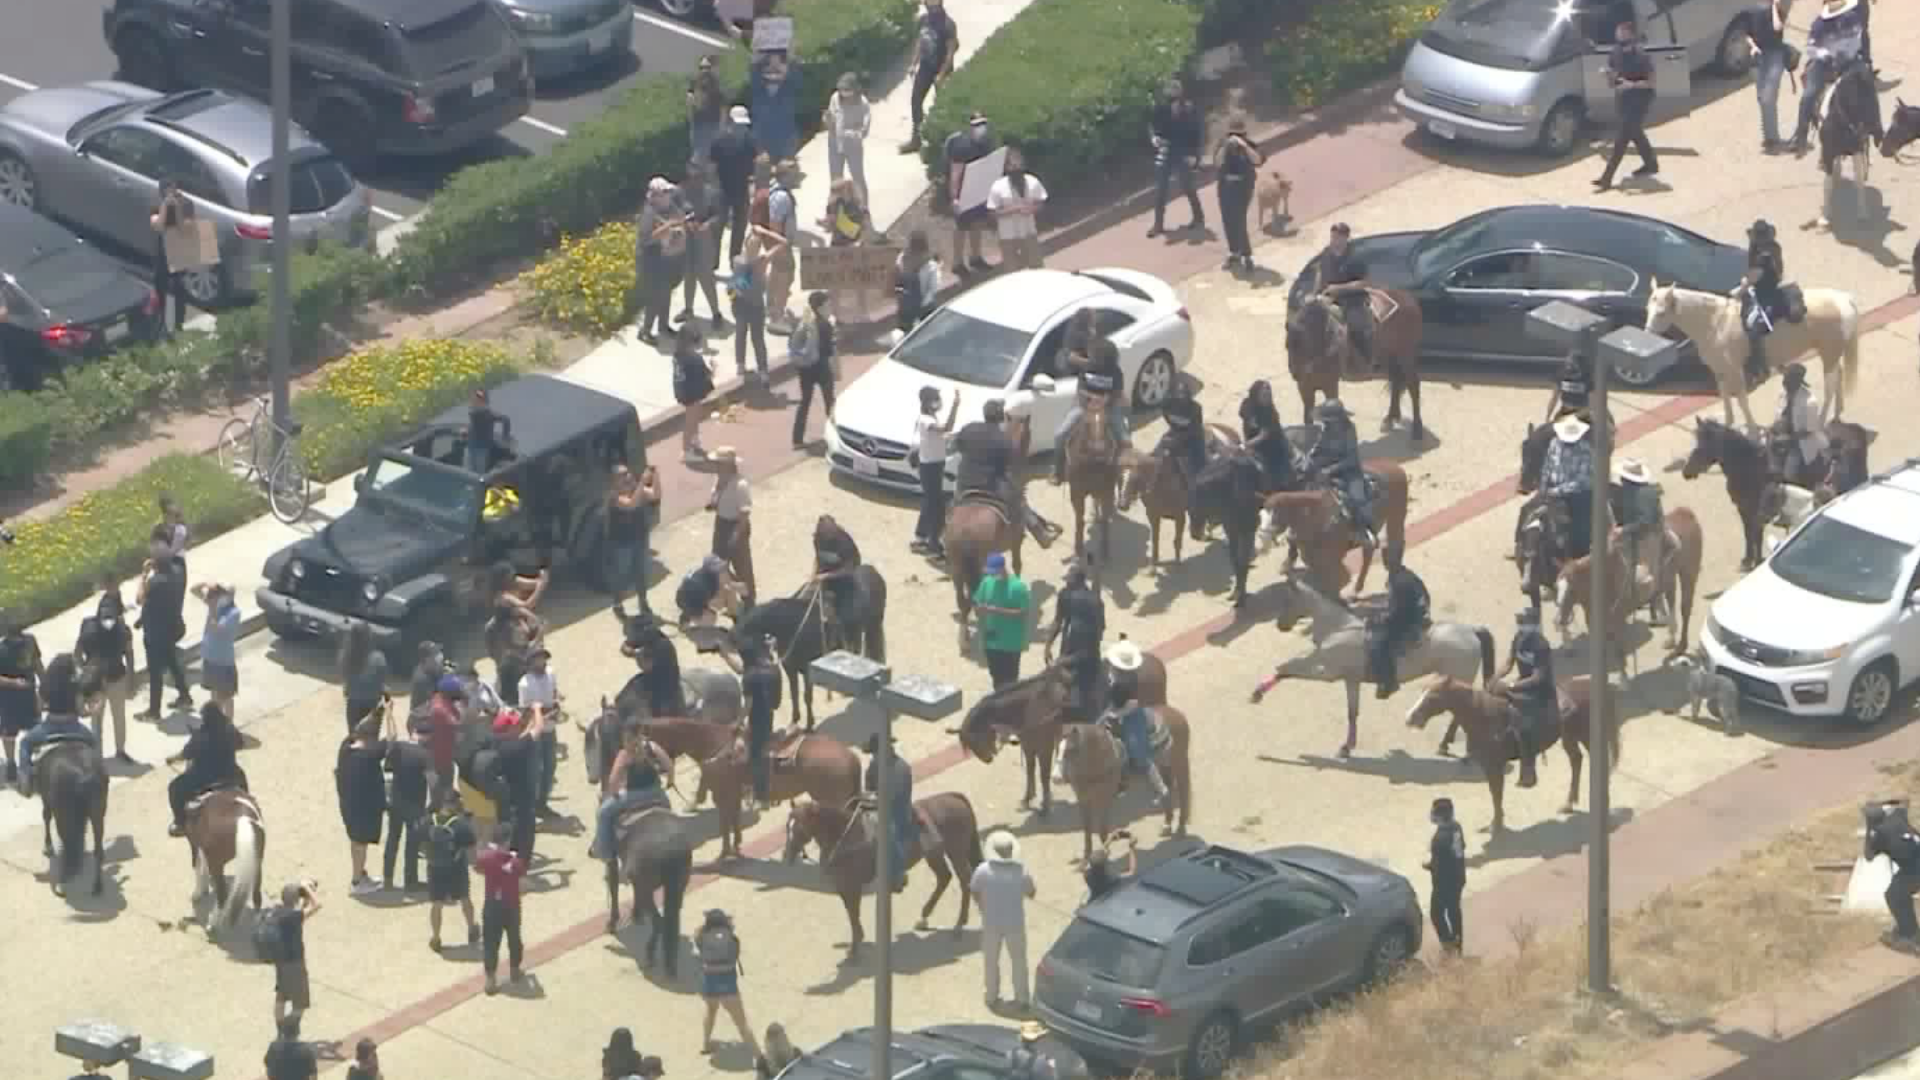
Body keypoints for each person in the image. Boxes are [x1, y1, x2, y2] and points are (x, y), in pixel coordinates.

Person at [970, 831, 1037, 1009]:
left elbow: (974, 890)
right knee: (1019, 961)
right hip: (1015, 923)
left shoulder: (983, 870)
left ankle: (991, 996)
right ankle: (1022, 998)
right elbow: (1031, 892)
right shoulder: (1021, 870)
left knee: (991, 961)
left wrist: (981, 906)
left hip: (991, 922)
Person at [1790, 0, 1866, 153]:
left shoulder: (1852, 19)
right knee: (1808, 95)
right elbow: (1811, 47)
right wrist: (1824, 54)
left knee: (1865, 86)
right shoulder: (1819, 23)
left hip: (1847, 63)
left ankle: (1869, 128)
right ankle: (1801, 135)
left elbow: (1856, 42)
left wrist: (1843, 53)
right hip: (1823, 65)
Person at [1050, 337, 1128, 485]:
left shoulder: (1116, 372)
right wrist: (1091, 399)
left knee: (1125, 438)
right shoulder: (1087, 368)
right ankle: (1057, 470)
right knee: (1060, 434)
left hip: (1109, 407)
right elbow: (1080, 389)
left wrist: (1106, 401)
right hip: (1084, 405)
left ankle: (1121, 473)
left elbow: (1117, 392)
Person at [16, 654, 97, 795]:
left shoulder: (46, 685)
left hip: (49, 727)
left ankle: (26, 780)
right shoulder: (76, 685)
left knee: (25, 743)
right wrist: (94, 710)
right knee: (93, 742)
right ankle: (95, 777)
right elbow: (81, 711)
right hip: (73, 726)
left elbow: (39, 708)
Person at [75, 580, 137, 763]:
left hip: (117, 678)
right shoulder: (88, 628)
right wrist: (84, 673)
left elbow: (130, 654)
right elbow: (77, 653)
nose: (108, 621)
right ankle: (97, 756)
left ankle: (120, 750)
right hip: (95, 683)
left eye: (111, 617)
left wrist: (132, 680)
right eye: (105, 617)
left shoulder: (123, 630)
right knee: (96, 720)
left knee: (119, 717)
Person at [1594, 20, 1659, 191]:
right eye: (1618, 35)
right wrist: (1607, 75)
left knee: (1622, 139)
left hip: (1640, 100)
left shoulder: (1642, 56)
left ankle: (1606, 178)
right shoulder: (1615, 53)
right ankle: (1651, 164)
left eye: (1623, 36)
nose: (1620, 39)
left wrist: (1632, 84)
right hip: (1623, 99)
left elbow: (1651, 82)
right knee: (1635, 133)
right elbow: (1612, 82)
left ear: (1632, 36)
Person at [166, 700, 246, 836]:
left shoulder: (200, 735)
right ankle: (245, 812)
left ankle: (180, 823)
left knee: (174, 788)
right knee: (242, 780)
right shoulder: (229, 729)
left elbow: (185, 754)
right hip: (229, 773)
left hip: (204, 778)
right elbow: (240, 743)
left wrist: (172, 759)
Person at [1496, 607, 1555, 790]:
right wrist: (1495, 678)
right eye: (1519, 621)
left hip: (1539, 690)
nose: (1520, 625)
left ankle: (1528, 768)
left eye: (1524, 621)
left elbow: (1538, 677)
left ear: (1534, 623)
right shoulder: (1518, 638)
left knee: (1520, 721)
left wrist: (1512, 686)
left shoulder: (1541, 645)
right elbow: (1508, 663)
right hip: (1521, 682)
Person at [137, 525, 192, 720]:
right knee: (172, 661)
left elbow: (140, 599)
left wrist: (143, 575)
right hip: (172, 626)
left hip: (156, 632)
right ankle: (185, 696)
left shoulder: (156, 582)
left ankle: (154, 711)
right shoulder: (177, 572)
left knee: (155, 672)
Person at [1305, 399, 1374, 552]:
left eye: (1330, 420)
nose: (1328, 423)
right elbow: (1319, 446)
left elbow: (1351, 457)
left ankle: (1363, 529)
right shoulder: (1326, 429)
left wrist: (1330, 470)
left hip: (1348, 469)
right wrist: (1310, 457)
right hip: (1327, 467)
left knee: (1357, 495)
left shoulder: (1349, 429)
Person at [1101, 651, 1167, 803]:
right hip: (1116, 711)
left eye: (1115, 665)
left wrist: (1117, 714)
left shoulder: (1130, 682)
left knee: (1138, 751)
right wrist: (1106, 713)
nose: (1112, 666)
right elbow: (1113, 700)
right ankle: (1119, 781)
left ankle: (1161, 788)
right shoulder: (1114, 677)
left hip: (1132, 716)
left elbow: (1134, 704)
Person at [335, 712, 389, 896]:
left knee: (356, 842)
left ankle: (360, 873)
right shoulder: (369, 755)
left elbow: (369, 725)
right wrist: (389, 715)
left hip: (348, 805)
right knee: (360, 845)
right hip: (361, 809)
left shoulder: (346, 746)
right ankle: (357, 881)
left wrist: (381, 710)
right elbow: (392, 739)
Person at [697, 909, 763, 1057]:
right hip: (728, 985)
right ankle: (759, 1057)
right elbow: (734, 956)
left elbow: (699, 933)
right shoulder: (732, 940)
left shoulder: (701, 938)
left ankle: (706, 1044)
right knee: (742, 1024)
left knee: (710, 1012)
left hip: (709, 983)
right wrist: (729, 926)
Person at [1044, 562, 1105, 720]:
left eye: (1068, 581)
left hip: (1084, 659)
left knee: (1083, 695)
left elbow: (1091, 646)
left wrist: (1062, 659)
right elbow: (1058, 621)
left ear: (1078, 582)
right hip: (1069, 650)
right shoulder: (1066, 595)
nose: (1065, 584)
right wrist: (1048, 645)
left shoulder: (1092, 604)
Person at [424, 786, 480, 952]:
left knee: (436, 904)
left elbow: (419, 841)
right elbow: (471, 848)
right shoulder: (460, 825)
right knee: (464, 898)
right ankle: (471, 929)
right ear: (457, 803)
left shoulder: (429, 820)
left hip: (434, 868)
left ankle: (436, 938)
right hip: (456, 867)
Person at [1147, 77, 1204, 237]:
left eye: (1175, 90)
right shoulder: (1160, 108)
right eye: (1170, 90)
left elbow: (1197, 132)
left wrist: (1195, 155)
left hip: (1183, 152)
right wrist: (1154, 138)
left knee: (1187, 186)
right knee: (1161, 189)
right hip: (1166, 150)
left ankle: (1199, 218)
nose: (1172, 93)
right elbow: (1152, 125)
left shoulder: (1189, 108)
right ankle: (1158, 225)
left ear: (1180, 92)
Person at [637, 177, 691, 346]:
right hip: (651, 262)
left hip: (666, 260)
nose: (669, 195)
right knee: (654, 298)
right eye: (665, 192)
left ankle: (663, 326)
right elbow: (647, 239)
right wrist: (669, 226)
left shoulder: (669, 207)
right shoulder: (649, 213)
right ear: (655, 196)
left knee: (666, 295)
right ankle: (645, 331)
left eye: (669, 192)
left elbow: (679, 217)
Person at [1313, 222, 1374, 371]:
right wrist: (1314, 293)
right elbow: (1320, 272)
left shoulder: (1355, 257)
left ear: (1346, 238)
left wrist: (1339, 288)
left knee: (1355, 324)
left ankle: (1366, 357)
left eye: (1337, 238)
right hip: (1329, 297)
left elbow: (1364, 282)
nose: (1333, 240)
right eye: (1332, 237)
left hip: (1352, 299)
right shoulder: (1327, 253)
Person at [901, 0, 958, 153]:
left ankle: (942, 144)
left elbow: (950, 52)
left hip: (942, 69)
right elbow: (920, 42)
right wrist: (913, 64)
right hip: (925, 68)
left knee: (942, 107)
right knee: (915, 101)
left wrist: (941, 74)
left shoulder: (948, 25)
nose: (931, 5)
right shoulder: (924, 20)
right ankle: (916, 139)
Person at [475, 825, 527, 994]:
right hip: (510, 905)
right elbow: (521, 875)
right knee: (514, 939)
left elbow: (478, 865)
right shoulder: (514, 861)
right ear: (507, 840)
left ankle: (490, 980)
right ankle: (514, 970)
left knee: (490, 942)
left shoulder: (486, 858)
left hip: (492, 905)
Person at [592, 753, 671, 864]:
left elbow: (613, 781)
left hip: (632, 795)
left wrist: (613, 794)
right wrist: (670, 781)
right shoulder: (651, 746)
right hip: (656, 793)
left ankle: (605, 853)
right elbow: (668, 764)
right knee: (668, 810)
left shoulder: (625, 754)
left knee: (603, 813)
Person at [945, 112, 998, 275]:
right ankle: (957, 263)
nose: (980, 128)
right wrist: (954, 198)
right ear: (969, 127)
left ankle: (976, 258)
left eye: (982, 124)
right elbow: (955, 174)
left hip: (979, 190)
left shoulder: (987, 143)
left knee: (978, 223)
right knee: (961, 227)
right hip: (963, 192)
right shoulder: (962, 146)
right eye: (976, 125)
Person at [1863, 801, 1920, 951]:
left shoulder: (1880, 833)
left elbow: (1868, 855)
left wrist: (1869, 828)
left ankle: (1910, 935)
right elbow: (1904, 804)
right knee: (1899, 890)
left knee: (1893, 894)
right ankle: (1907, 929)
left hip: (1914, 869)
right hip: (1914, 864)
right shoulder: (1898, 816)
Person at [1368, 562, 1430, 698]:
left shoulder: (1399, 582)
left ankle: (1389, 682)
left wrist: (1379, 619)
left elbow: (1396, 614)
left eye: (1386, 557)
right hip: (1419, 612)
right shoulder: (1406, 574)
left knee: (1377, 645)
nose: (1384, 560)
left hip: (1409, 621)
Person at [1158, 379, 1209, 540]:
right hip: (1175, 433)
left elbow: (1194, 430)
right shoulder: (1167, 403)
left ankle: (1200, 513)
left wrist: (1177, 439)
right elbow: (1167, 417)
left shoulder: (1195, 409)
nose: (1181, 396)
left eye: (1184, 393)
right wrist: (1172, 435)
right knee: (1153, 456)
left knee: (1199, 478)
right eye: (1178, 393)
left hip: (1193, 440)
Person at [1542, 410, 1596, 561]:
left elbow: (1580, 481)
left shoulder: (1586, 451)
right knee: (1527, 511)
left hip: (1577, 495)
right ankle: (1523, 547)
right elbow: (1547, 465)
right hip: (1553, 489)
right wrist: (1543, 486)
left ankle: (1580, 557)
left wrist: (1556, 491)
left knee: (1580, 527)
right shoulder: (1554, 443)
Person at [384, 720, 432, 892]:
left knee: (392, 839)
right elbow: (432, 781)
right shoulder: (425, 755)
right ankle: (410, 881)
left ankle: (387, 878)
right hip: (415, 805)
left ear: (414, 732)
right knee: (412, 844)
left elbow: (388, 771)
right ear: (427, 737)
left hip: (396, 801)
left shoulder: (398, 747)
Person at [680, 160, 728, 329]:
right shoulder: (681, 192)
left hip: (704, 239)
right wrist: (684, 223)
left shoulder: (712, 193)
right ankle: (688, 309)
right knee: (689, 275)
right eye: (691, 177)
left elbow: (720, 215)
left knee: (706, 277)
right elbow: (677, 212)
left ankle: (716, 313)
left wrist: (708, 225)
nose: (694, 180)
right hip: (687, 238)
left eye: (697, 176)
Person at [819, 179, 876, 320]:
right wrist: (825, 224)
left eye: (837, 192)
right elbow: (830, 228)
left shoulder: (859, 207)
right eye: (833, 192)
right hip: (838, 246)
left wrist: (860, 242)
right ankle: (836, 313)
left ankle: (863, 312)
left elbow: (867, 228)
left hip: (855, 246)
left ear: (847, 191)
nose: (834, 196)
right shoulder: (833, 207)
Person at [1213, 114, 1265, 271]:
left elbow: (1258, 160)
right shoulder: (1223, 144)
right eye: (1232, 134)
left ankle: (1247, 255)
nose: (1235, 137)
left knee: (1239, 220)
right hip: (1225, 187)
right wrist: (1225, 145)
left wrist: (1244, 146)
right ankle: (1234, 252)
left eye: (1239, 134)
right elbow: (1217, 162)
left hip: (1243, 188)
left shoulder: (1248, 145)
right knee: (1228, 219)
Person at [864, 733, 914, 892]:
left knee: (889, 834)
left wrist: (877, 801)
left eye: (875, 752)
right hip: (876, 805)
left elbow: (897, 796)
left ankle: (898, 872)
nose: (874, 756)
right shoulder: (873, 766)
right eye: (873, 753)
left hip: (897, 810)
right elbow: (869, 787)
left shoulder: (901, 768)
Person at [788, 291, 838, 449]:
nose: (830, 308)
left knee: (805, 402)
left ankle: (797, 439)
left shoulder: (806, 321)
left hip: (805, 368)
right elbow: (828, 351)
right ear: (821, 307)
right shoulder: (826, 325)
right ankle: (836, 435)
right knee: (830, 402)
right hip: (821, 367)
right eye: (828, 305)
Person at [973, 553, 1031, 689]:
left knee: (1010, 680)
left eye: (994, 572)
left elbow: (1023, 613)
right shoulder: (987, 582)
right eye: (990, 572)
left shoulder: (1018, 587)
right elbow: (977, 601)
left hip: (1011, 642)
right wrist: (978, 609)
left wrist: (996, 611)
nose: (992, 575)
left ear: (1003, 568)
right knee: (996, 676)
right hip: (991, 640)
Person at [914, 386, 960, 556]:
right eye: (936, 399)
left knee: (929, 503)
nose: (939, 402)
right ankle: (934, 546)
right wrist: (956, 406)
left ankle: (921, 538)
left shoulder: (931, 417)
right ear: (927, 401)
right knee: (937, 507)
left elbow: (940, 435)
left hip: (934, 465)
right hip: (930, 467)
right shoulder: (927, 420)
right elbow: (946, 428)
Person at [986, 147, 1048, 270]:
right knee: (1013, 274)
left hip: (1029, 233)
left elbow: (1041, 202)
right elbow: (992, 213)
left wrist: (1032, 209)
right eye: (1012, 166)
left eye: (1018, 166)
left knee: (1037, 270)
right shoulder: (998, 187)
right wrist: (1011, 210)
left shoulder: (1032, 182)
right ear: (1006, 168)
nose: (1016, 169)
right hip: (1008, 237)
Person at [1743, 218, 1788, 387]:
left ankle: (1762, 367)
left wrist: (1742, 288)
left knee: (1757, 329)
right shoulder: (1755, 247)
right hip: (1757, 288)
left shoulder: (1770, 252)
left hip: (1769, 292)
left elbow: (1757, 274)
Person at [712, 106, 759, 265]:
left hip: (742, 189)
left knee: (740, 226)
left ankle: (735, 259)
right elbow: (711, 165)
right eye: (739, 125)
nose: (742, 128)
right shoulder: (719, 141)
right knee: (717, 226)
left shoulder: (750, 141)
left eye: (744, 125)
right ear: (730, 122)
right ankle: (713, 261)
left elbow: (756, 162)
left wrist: (754, 183)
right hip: (722, 189)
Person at [519, 646, 561, 817]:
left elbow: (555, 692)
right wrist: (546, 713)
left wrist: (557, 702)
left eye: (543, 658)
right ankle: (532, 806)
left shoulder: (551, 673)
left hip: (550, 729)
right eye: (538, 659)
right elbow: (525, 711)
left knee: (550, 767)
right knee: (536, 770)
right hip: (537, 733)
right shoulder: (524, 684)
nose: (542, 662)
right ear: (530, 663)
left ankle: (542, 804)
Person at [709, 447, 756, 604]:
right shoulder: (718, 479)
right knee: (717, 564)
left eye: (719, 463)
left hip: (736, 526)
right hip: (721, 523)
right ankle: (727, 596)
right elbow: (715, 501)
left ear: (728, 465)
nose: (715, 466)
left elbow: (744, 514)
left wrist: (736, 536)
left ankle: (749, 599)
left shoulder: (740, 484)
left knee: (742, 567)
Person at [0, 611, 42, 782]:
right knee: (9, 734)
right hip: (8, 700)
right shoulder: (1, 650)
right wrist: (14, 683)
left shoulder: (30, 642)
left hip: (29, 697)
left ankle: (29, 764)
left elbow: (38, 665)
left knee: (33, 731)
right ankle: (11, 764)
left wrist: (46, 686)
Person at [605, 464, 654, 611]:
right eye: (622, 475)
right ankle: (617, 603)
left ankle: (643, 601)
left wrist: (655, 477)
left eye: (628, 473)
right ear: (614, 481)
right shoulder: (614, 496)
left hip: (639, 538)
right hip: (621, 543)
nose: (627, 477)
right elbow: (631, 505)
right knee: (622, 575)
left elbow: (655, 495)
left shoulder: (636, 489)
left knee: (641, 572)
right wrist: (642, 483)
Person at [272, 879, 322, 1023]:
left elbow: (301, 909)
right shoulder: (295, 917)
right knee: (300, 1003)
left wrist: (304, 897)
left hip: (280, 961)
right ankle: (290, 1028)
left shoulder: (277, 911)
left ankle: (280, 1026)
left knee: (281, 995)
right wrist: (308, 889)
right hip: (295, 963)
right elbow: (317, 905)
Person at [1747, 0, 1793, 152]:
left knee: (1768, 97)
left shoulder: (1778, 10)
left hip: (1775, 55)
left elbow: (1777, 27)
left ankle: (1773, 138)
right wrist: (1753, 46)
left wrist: (1774, 7)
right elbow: (1747, 34)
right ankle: (1768, 136)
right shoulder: (1752, 10)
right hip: (1758, 56)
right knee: (1761, 98)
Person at [741, 633, 781, 807]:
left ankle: (761, 795)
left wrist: (737, 720)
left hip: (757, 717)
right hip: (769, 714)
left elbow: (748, 704)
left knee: (755, 756)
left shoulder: (749, 676)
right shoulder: (771, 669)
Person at [148, 179, 193, 333]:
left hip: (179, 251)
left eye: (170, 190)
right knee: (160, 289)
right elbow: (157, 226)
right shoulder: (157, 205)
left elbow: (186, 228)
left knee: (179, 289)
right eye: (164, 191)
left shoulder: (186, 203)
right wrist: (166, 206)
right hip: (162, 253)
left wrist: (177, 208)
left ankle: (178, 325)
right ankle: (161, 325)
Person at [192, 582, 242, 719]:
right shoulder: (216, 604)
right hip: (210, 658)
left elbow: (217, 628)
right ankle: (216, 726)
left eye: (223, 592)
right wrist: (206, 584)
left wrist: (212, 607)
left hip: (223, 661)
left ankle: (228, 727)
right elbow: (194, 590)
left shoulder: (234, 613)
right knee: (214, 696)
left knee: (226, 698)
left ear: (230, 595)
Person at [1772, 362, 1828, 482]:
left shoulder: (1810, 402)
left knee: (1788, 473)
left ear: (1796, 383)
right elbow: (1779, 415)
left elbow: (1809, 431)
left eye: (1787, 382)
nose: (1784, 385)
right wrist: (1773, 429)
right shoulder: (1783, 395)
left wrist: (1788, 438)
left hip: (1800, 443)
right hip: (1782, 437)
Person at [1425, 797, 1466, 955]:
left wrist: (1430, 867)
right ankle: (1458, 944)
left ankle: (1448, 945)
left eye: (1433, 812)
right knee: (1454, 911)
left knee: (1436, 914)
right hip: (1458, 877)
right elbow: (1457, 852)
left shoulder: (1440, 838)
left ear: (1439, 815)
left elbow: (1440, 864)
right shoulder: (1456, 827)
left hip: (1444, 883)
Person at [763, 160, 800, 332]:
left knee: (777, 275)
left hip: (779, 244)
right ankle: (777, 318)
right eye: (794, 174)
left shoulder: (777, 192)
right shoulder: (781, 197)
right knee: (785, 279)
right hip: (781, 244)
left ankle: (770, 307)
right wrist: (781, 248)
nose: (798, 177)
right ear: (784, 176)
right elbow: (775, 224)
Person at [826, 72, 872, 206]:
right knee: (835, 180)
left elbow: (863, 131)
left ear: (855, 89)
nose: (843, 92)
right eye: (841, 89)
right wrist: (828, 121)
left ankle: (864, 209)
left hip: (853, 148)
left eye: (846, 89)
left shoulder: (863, 104)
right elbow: (831, 123)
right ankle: (833, 212)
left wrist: (849, 133)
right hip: (834, 145)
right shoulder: (834, 98)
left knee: (858, 178)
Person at [672, 321, 716, 463]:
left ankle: (695, 439)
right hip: (692, 392)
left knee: (694, 415)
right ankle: (686, 451)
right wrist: (713, 367)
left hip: (683, 390)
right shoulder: (694, 358)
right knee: (690, 420)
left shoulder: (678, 354)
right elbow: (708, 375)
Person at [1239, 380, 1292, 493]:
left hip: (1270, 448)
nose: (1267, 395)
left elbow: (1264, 435)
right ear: (1256, 393)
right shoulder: (1248, 404)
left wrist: (1244, 446)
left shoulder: (1270, 413)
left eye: (1269, 393)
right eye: (1264, 393)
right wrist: (1251, 420)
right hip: (1253, 443)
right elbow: (1245, 414)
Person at [339, 619, 389, 735]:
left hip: (353, 704)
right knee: (371, 741)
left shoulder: (345, 656)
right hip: (372, 705)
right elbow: (381, 682)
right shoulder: (378, 658)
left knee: (354, 738)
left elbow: (345, 681)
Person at [730, 245, 772, 379]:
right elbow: (764, 289)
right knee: (758, 339)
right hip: (755, 307)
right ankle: (763, 370)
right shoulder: (759, 267)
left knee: (740, 334)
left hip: (740, 305)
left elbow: (732, 289)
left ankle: (740, 365)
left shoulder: (737, 261)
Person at [748, 51, 799, 162]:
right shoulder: (759, 91)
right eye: (770, 65)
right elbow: (757, 128)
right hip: (765, 142)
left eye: (778, 65)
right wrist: (760, 151)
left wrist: (788, 155)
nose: (774, 69)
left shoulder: (788, 89)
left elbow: (794, 74)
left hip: (783, 142)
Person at [894, 230, 943, 342]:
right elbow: (898, 280)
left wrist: (923, 303)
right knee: (906, 332)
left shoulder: (931, 266)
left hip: (923, 306)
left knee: (927, 333)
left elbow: (933, 288)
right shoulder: (902, 259)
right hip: (907, 304)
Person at [687, 55, 726, 161]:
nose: (704, 70)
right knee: (698, 151)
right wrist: (691, 124)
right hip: (698, 124)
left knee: (711, 153)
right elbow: (690, 104)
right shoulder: (694, 82)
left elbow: (722, 108)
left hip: (712, 124)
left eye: (707, 67)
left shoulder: (716, 84)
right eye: (702, 67)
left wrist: (721, 127)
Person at [1083, 830, 1137, 903]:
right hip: (1108, 902)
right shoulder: (1111, 878)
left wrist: (1110, 839)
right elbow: (1131, 871)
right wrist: (1131, 848)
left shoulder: (1087, 875)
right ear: (1105, 864)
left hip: (1093, 900)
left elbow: (1097, 857)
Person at [263, 1013, 318, 1080]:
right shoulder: (307, 1050)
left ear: (283, 1031)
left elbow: (268, 1068)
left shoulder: (274, 1047)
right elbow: (313, 1075)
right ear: (298, 1031)